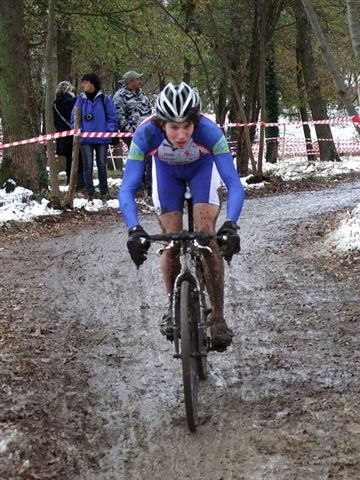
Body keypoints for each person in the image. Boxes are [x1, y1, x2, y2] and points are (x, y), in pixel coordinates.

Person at [119, 82, 245, 352]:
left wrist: (231, 225)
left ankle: (218, 318)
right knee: (172, 241)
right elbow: (127, 188)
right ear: (161, 123)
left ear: (195, 122)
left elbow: (234, 185)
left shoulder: (210, 131)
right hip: (167, 177)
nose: (180, 134)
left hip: (201, 172)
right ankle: (171, 306)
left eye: (186, 126)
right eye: (173, 127)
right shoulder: (145, 134)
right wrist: (134, 230)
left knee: (205, 234)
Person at [71, 73, 117, 199]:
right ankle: (90, 190)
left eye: (85, 82)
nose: (83, 85)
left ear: (92, 83)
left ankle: (104, 190)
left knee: (102, 164)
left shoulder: (105, 99)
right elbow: (74, 119)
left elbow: (112, 117)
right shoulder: (80, 101)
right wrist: (78, 131)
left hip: (102, 138)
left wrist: (108, 131)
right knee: (88, 165)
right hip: (85, 139)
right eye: (83, 83)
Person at [53, 81, 85, 189]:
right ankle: (79, 182)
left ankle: (69, 181)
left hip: (62, 136)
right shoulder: (72, 102)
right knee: (79, 158)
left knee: (68, 159)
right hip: (73, 134)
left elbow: (56, 121)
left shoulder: (55, 103)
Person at [112, 71, 152, 146]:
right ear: (131, 81)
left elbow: (149, 111)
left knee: (148, 156)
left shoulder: (142, 94)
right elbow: (119, 116)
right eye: (137, 79)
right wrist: (129, 131)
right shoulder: (120, 96)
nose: (139, 82)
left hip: (146, 132)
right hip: (132, 135)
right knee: (137, 156)